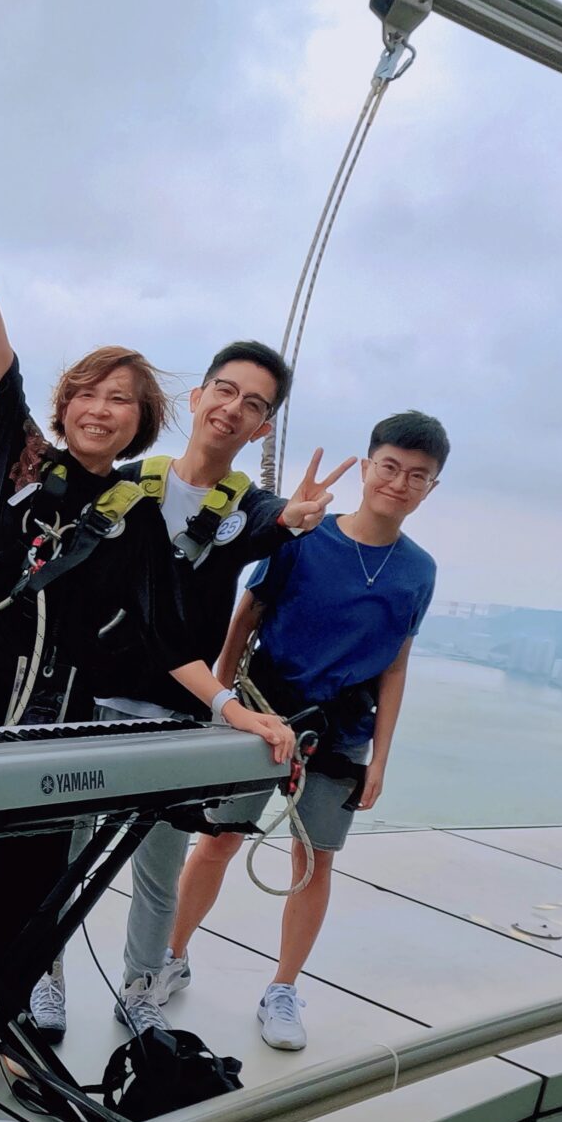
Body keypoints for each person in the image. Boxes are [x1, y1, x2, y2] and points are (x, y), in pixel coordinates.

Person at [0, 145, 295, 1071]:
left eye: (123, 400)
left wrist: (230, 707)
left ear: (144, 421)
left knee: (29, 879)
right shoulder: (22, 462)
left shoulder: (138, 512)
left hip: (62, 716)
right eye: (90, 393)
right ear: (65, 403)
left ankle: (3, 1012)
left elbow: (161, 636)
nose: (102, 409)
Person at [65, 342, 349, 1033]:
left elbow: (267, 527)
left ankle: (141, 986)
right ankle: (44, 976)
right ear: (196, 398)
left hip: (174, 714)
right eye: (225, 390)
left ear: (262, 430)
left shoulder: (247, 508)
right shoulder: (129, 483)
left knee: (159, 870)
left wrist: (294, 519)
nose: (234, 409)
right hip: (89, 701)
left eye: (255, 405)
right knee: (60, 857)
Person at [165, 411, 448, 1051]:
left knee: (314, 860)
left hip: (343, 729)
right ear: (370, 464)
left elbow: (396, 663)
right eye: (391, 467)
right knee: (217, 839)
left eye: (418, 476)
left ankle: (283, 988)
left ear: (431, 488)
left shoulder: (418, 570)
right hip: (265, 709)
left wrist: (379, 757)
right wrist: (222, 697)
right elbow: (248, 612)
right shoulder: (305, 537)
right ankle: (170, 955)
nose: (400, 483)